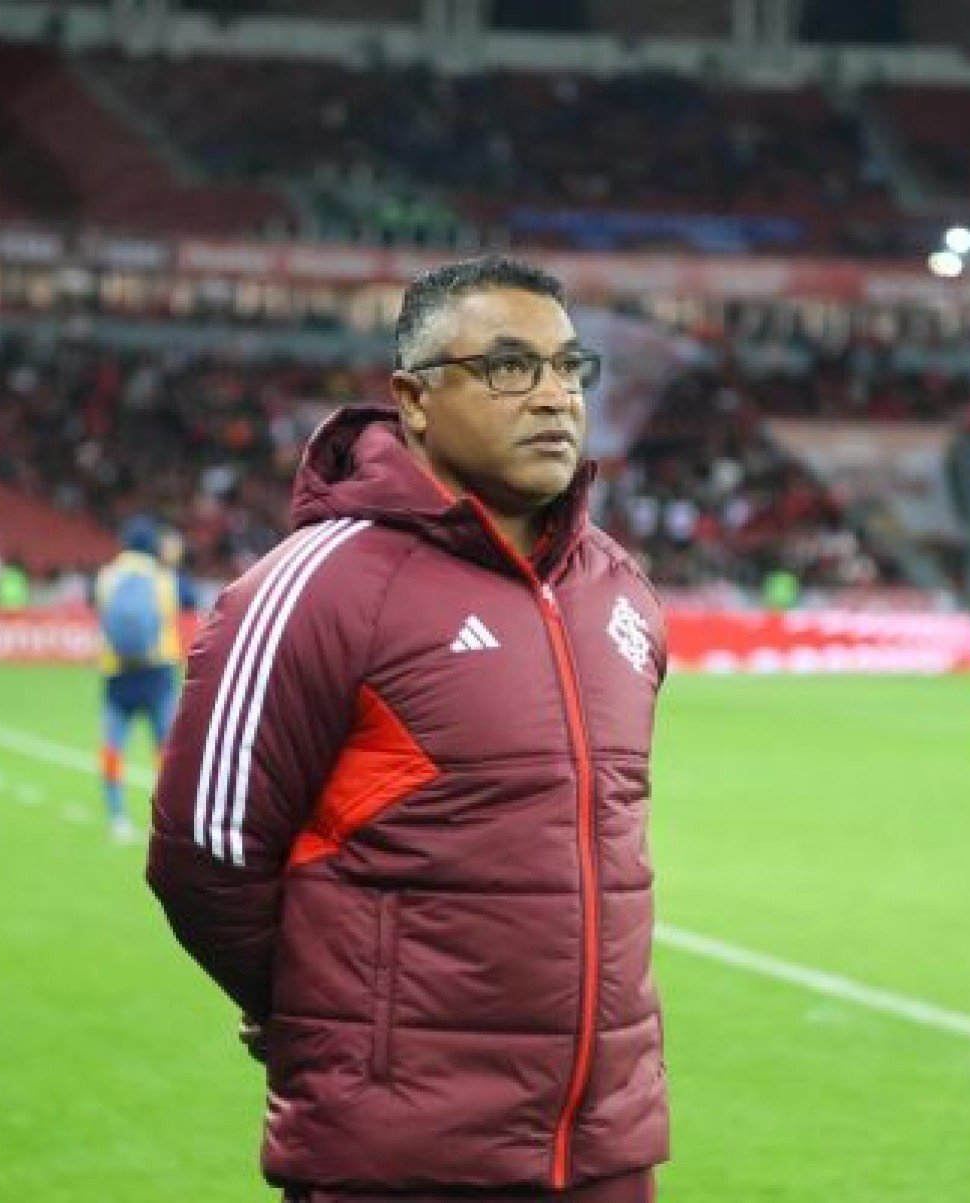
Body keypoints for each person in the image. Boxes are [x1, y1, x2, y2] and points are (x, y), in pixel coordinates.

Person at [146, 256, 669, 1201]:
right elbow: (207, 853)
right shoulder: (317, 585)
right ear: (412, 398)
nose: (553, 396)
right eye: (510, 367)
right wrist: (327, 1011)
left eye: (568, 367)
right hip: (402, 1160)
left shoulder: (619, 591)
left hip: (604, 1153)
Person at [95, 515, 187, 842]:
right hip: (157, 671)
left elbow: (102, 615)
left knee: (112, 746)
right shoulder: (162, 577)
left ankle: (117, 816)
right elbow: (178, 608)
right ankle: (166, 820)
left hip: (117, 673)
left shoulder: (107, 576)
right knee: (165, 750)